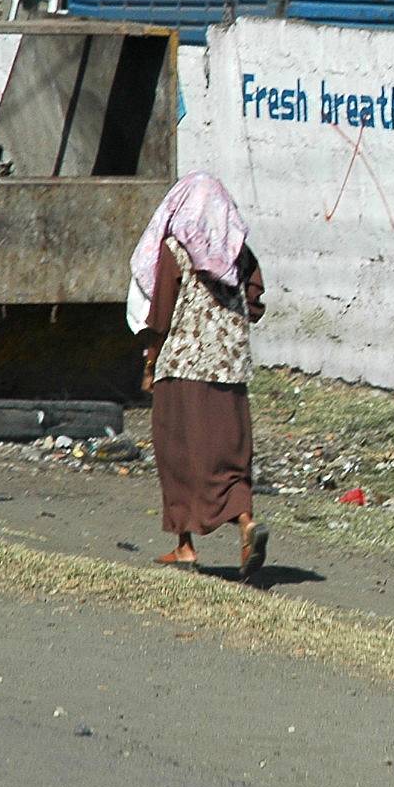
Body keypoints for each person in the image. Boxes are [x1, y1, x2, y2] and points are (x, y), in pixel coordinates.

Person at [130, 172, 270, 579]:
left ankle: (185, 547)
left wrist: (149, 364)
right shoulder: (238, 252)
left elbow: (160, 315)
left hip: (183, 369)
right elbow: (256, 304)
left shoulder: (176, 251)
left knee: (179, 455)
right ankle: (245, 524)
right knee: (230, 455)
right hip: (230, 370)